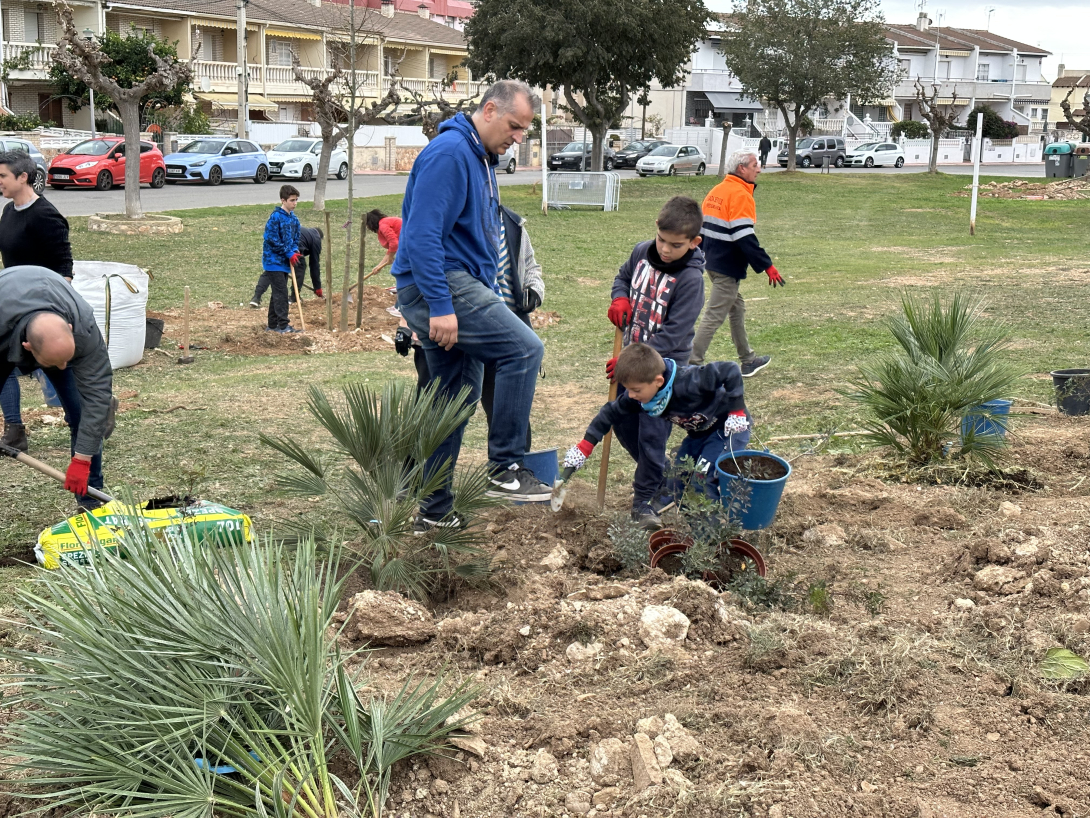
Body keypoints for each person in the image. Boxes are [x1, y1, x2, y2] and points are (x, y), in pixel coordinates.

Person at [392, 79, 547, 529]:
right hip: (439, 285)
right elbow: (420, 236)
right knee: (524, 349)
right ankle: (505, 467)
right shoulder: (451, 154)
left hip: (457, 286)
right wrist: (441, 306)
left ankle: (435, 513)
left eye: (524, 130)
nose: (518, 138)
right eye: (515, 126)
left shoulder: (480, 158)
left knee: (452, 404)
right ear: (490, 109)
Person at [605, 195, 706, 529]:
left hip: (662, 375)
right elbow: (622, 276)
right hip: (632, 366)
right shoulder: (641, 253)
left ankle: (644, 501)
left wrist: (629, 364)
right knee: (622, 423)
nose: (664, 249)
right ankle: (665, 478)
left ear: (694, 243)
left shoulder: (691, 281)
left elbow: (674, 336)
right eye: (661, 240)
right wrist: (620, 296)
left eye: (675, 245)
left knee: (651, 435)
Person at [564, 343, 751, 512]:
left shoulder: (689, 381)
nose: (631, 395)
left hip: (727, 430)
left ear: (658, 381)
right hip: (698, 435)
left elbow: (730, 370)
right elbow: (608, 414)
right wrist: (584, 448)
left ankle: (718, 536)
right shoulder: (645, 395)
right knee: (677, 483)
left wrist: (737, 413)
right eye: (628, 389)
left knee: (700, 480)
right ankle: (698, 532)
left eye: (636, 390)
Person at [0, 265, 114, 509]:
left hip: (56, 323)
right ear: (27, 347)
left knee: (84, 412)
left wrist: (82, 460)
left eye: (67, 359)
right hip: (5, 323)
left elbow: (96, 394)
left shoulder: (83, 326)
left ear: (70, 331)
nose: (63, 367)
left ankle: (90, 502)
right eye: (55, 362)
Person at [0, 149, 75, 453]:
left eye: (3, 176)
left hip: (40, 310)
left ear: (23, 177)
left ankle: (87, 413)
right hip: (13, 305)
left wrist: (50, 319)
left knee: (57, 366)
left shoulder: (45, 216)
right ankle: (15, 429)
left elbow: (64, 270)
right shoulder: (8, 211)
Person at [690, 149, 784, 377]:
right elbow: (744, 237)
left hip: (711, 261)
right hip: (726, 266)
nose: (759, 169)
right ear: (742, 168)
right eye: (755, 165)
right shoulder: (740, 195)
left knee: (737, 307)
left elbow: (702, 229)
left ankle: (748, 359)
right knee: (714, 315)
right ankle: (690, 365)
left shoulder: (717, 190)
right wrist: (767, 266)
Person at [255, 185, 303, 333]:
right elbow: (271, 239)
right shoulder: (275, 217)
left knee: (277, 293)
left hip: (285, 262)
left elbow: (296, 238)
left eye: (296, 200)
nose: (294, 203)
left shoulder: (294, 219)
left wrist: (294, 250)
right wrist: (287, 252)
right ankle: (283, 326)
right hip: (273, 261)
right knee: (281, 293)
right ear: (283, 200)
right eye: (291, 200)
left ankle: (272, 325)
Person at [250, 225, 323, 307]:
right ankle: (294, 297)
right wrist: (317, 287)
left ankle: (256, 297)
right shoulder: (316, 238)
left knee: (271, 271)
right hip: (294, 248)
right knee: (300, 268)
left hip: (278, 245)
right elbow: (314, 264)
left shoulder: (306, 232)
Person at [366, 209, 402, 278]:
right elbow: (391, 249)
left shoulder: (383, 225)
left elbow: (394, 244)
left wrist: (390, 258)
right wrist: (379, 266)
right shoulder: (383, 223)